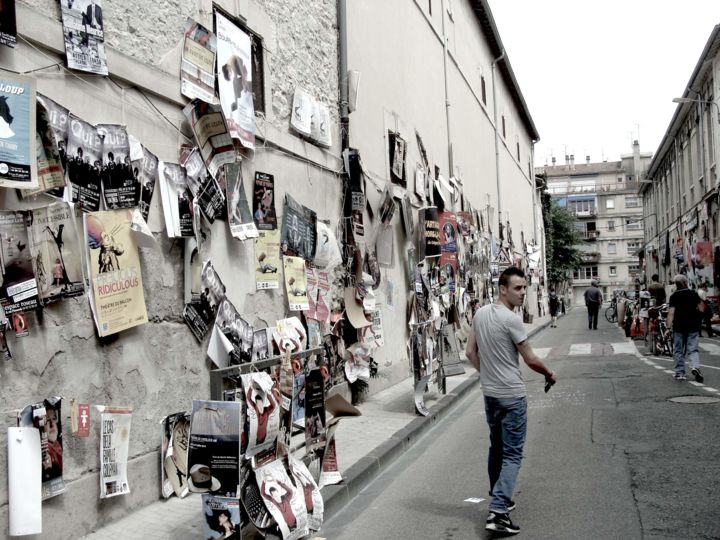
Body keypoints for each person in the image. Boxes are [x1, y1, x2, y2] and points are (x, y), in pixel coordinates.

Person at [465, 267, 556, 535]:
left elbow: (470, 352)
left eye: (524, 288)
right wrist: (550, 373)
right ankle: (498, 511)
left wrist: (487, 374)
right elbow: (530, 359)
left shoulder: (480, 314)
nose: (522, 293)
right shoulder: (511, 320)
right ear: (502, 289)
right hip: (512, 396)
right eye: (517, 288)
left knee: (497, 447)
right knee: (513, 453)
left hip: (490, 394)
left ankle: (499, 495)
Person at [665, 274, 704, 382]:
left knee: (678, 350)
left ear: (676, 285)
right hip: (693, 325)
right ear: (686, 283)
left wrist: (668, 328)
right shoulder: (693, 294)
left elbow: (671, 313)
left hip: (679, 327)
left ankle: (680, 373)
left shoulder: (674, 296)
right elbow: (701, 309)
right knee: (693, 349)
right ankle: (695, 367)